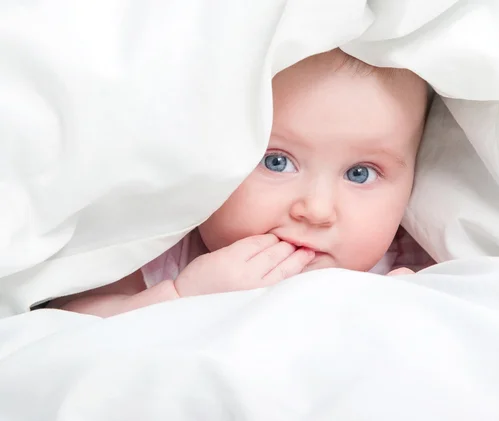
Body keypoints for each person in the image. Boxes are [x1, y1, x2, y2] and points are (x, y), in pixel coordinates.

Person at [48, 48, 432, 317]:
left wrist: (408, 317)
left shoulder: (409, 266)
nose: (315, 210)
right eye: (277, 162)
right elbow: (66, 328)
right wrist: (182, 296)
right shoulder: (164, 255)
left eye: (359, 173)